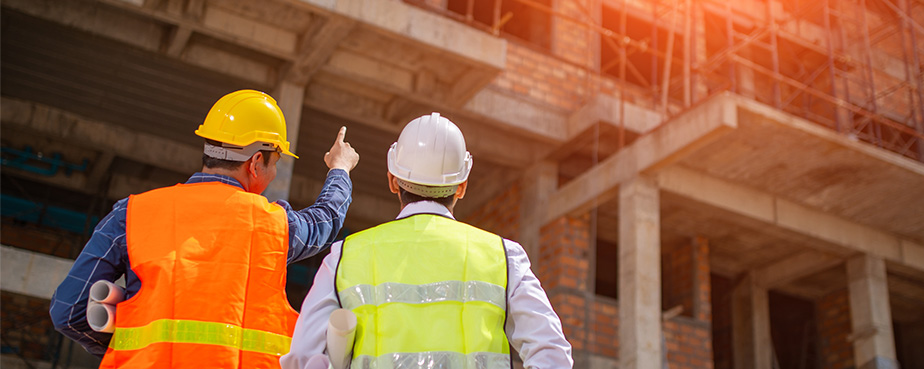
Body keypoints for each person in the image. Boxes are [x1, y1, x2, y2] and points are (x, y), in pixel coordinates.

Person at [49, 89, 360, 368]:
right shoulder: (274, 225)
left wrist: (130, 348)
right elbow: (326, 219)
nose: (274, 172)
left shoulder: (132, 213)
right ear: (255, 163)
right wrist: (340, 169)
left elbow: (68, 310)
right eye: (274, 162)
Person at [281, 112, 573, 369]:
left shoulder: (345, 256)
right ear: (462, 187)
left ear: (393, 180)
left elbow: (303, 358)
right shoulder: (503, 257)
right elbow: (552, 353)